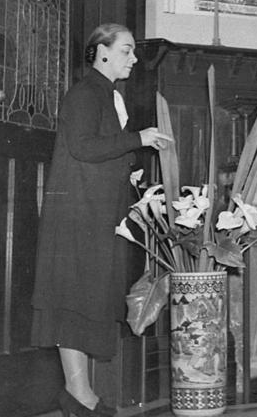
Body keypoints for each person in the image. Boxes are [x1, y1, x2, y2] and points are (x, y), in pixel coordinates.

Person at [31, 23, 173, 417]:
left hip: (92, 211)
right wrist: (137, 139)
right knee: (72, 300)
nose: (134, 58)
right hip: (79, 213)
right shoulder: (85, 93)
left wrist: (128, 165)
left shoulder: (105, 94)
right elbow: (82, 147)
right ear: (102, 52)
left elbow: (100, 149)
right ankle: (79, 394)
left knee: (80, 298)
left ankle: (79, 393)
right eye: (127, 50)